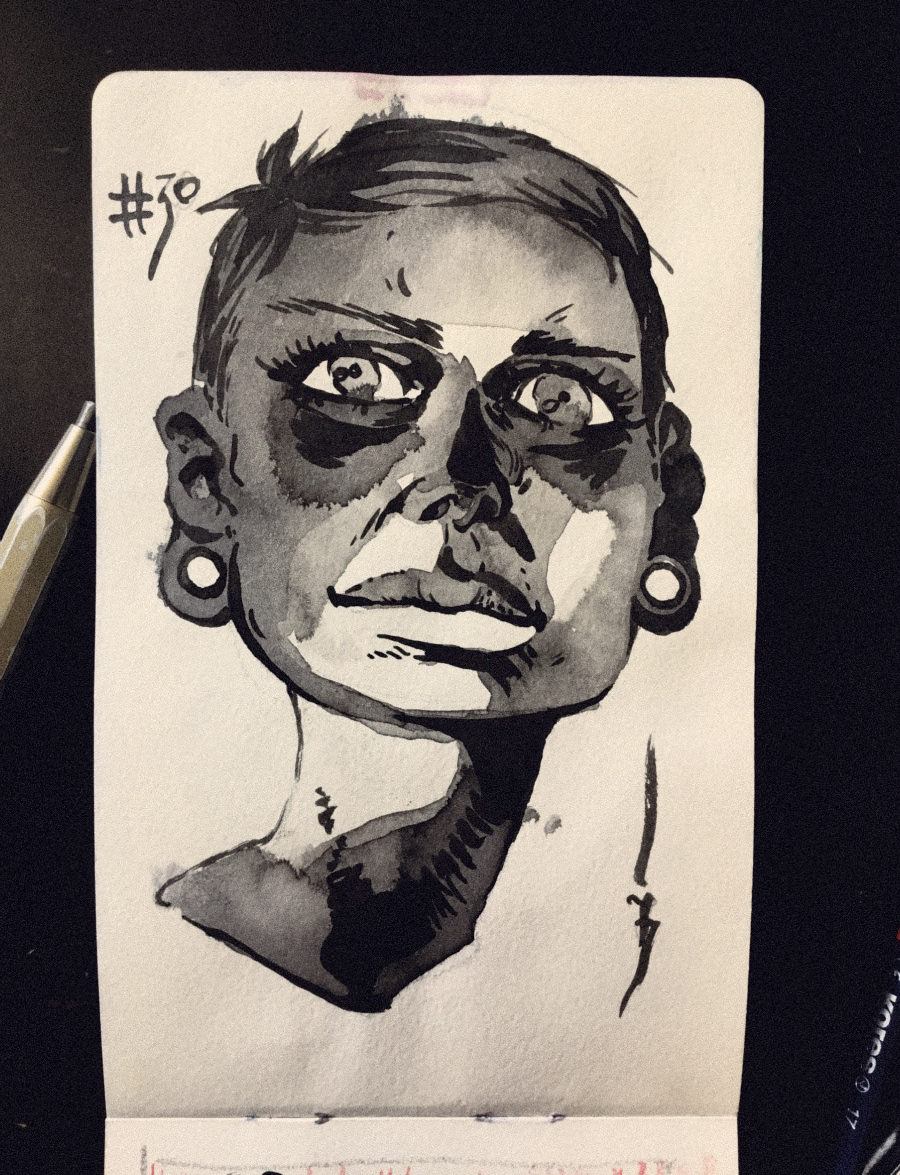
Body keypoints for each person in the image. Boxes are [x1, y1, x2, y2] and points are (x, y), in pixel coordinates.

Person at [154, 114, 704, 1012]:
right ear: (207, 480)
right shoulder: (153, 953)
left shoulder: (690, 964)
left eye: (558, 398)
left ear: (665, 508)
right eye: (356, 380)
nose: (460, 479)